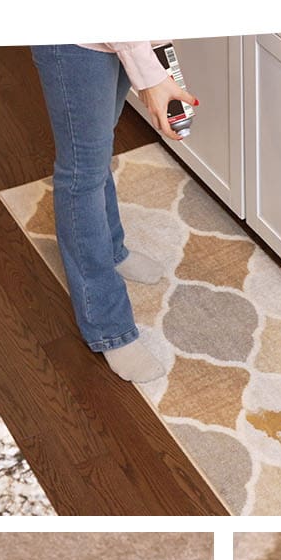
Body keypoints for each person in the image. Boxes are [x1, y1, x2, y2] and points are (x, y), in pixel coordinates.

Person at [29, 43, 196, 383]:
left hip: (123, 37)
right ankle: (108, 327)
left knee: (95, 149)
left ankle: (111, 250)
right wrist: (149, 77)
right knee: (81, 174)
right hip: (78, 38)